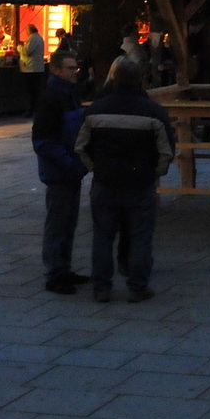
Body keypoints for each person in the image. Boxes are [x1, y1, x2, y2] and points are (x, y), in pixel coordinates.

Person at [75, 55, 175, 303]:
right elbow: (166, 150)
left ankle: (101, 287)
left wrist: (94, 168)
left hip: (105, 182)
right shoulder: (153, 111)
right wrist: (156, 173)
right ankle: (138, 286)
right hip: (140, 183)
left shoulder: (96, 109)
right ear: (140, 80)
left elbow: (80, 146)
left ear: (114, 78)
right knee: (140, 237)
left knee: (103, 236)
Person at [34, 49, 89, 294]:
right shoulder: (52, 98)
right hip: (60, 171)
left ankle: (63, 268)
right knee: (57, 223)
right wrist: (70, 162)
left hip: (71, 169)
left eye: (75, 68)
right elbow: (42, 142)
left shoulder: (69, 94)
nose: (74, 72)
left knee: (68, 222)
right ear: (55, 69)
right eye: (69, 68)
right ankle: (55, 273)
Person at [21, 24, 47, 118]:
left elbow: (27, 51)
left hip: (31, 68)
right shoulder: (39, 38)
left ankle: (32, 110)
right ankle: (36, 109)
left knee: (32, 91)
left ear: (29, 31)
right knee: (36, 91)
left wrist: (20, 47)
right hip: (38, 68)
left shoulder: (32, 39)